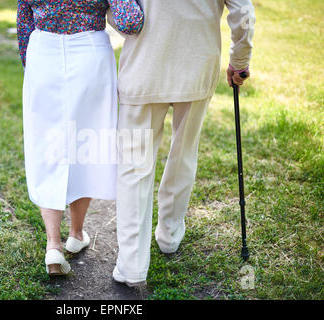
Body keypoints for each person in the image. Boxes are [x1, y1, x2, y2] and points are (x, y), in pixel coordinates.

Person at [110, 0, 255, 286]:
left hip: (143, 66)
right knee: (184, 152)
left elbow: (117, 12)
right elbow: (244, 13)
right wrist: (240, 61)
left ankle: (132, 265)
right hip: (197, 65)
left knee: (133, 166)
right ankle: (169, 235)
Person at [17, 0, 143, 276]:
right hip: (90, 53)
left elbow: (24, 24)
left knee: (48, 144)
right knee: (86, 142)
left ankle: (53, 245)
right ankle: (76, 233)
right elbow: (130, 21)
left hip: (43, 53)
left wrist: (34, 65)